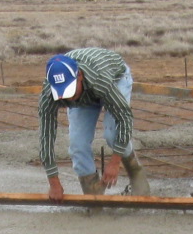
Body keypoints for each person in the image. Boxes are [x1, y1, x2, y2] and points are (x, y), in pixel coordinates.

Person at [37, 48, 151, 201]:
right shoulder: (48, 95)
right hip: (87, 92)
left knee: (113, 135)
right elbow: (46, 138)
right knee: (78, 145)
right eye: (62, 93)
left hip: (115, 79)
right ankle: (94, 199)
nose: (69, 98)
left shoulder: (100, 80)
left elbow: (124, 118)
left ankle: (137, 176)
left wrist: (115, 162)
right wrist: (54, 182)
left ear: (79, 76)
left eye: (70, 90)